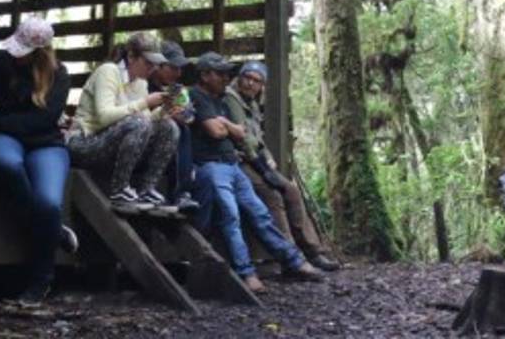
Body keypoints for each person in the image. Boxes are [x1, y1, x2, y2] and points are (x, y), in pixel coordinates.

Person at [188, 51, 321, 294]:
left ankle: (294, 260)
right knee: (230, 215)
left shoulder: (220, 99)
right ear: (205, 75)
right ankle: (246, 273)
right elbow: (217, 132)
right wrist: (228, 127)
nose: (226, 77)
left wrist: (226, 125)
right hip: (212, 165)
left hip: (231, 166)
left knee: (260, 213)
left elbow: (240, 132)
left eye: (228, 73)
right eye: (220, 73)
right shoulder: (197, 95)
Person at [0, 16, 76, 305]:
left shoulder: (60, 75)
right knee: (5, 163)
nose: (16, 56)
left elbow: (41, 122)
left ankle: (41, 282)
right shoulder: (2, 62)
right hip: (6, 139)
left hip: (45, 143)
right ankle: (52, 230)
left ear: (39, 53)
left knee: (49, 202)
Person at [225, 60, 340, 271]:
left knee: (292, 191)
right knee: (273, 195)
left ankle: (314, 253)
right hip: (238, 161)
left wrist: (268, 157)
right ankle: (291, 257)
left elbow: (257, 137)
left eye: (256, 81)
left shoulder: (251, 102)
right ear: (240, 78)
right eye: (247, 78)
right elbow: (244, 141)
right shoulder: (231, 98)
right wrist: (264, 167)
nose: (251, 83)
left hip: (255, 161)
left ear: (261, 85)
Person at [68, 32, 178, 212]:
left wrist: (164, 110)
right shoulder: (108, 71)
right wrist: (145, 102)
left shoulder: (141, 83)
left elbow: (146, 123)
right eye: (147, 62)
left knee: (169, 127)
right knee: (138, 122)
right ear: (131, 56)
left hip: (113, 143)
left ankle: (147, 189)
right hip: (84, 142)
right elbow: (104, 116)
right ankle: (119, 190)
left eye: (154, 64)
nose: (151, 69)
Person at [146, 40, 200, 214]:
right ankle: (180, 192)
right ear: (158, 65)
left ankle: (183, 191)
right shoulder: (144, 86)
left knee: (182, 128)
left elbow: (190, 117)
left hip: (168, 145)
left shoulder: (176, 90)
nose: (178, 73)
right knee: (175, 128)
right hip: (144, 142)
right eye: (173, 67)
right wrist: (168, 114)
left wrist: (183, 114)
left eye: (180, 68)